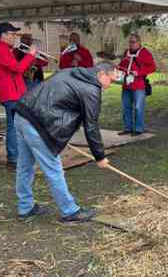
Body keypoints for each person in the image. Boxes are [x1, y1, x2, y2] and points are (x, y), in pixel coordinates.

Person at [14, 62, 118, 223]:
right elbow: (91, 126)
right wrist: (99, 156)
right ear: (101, 74)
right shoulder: (91, 90)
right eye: (111, 80)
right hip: (38, 123)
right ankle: (69, 211)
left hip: (22, 113)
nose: (111, 85)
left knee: (25, 165)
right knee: (53, 168)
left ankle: (25, 207)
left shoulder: (72, 71)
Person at [0, 22, 37, 170]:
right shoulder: (0, 49)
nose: (15, 37)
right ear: (4, 35)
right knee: (14, 127)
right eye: (12, 34)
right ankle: (13, 159)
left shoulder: (4, 48)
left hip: (14, 92)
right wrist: (30, 55)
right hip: (11, 94)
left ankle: (17, 156)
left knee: (17, 126)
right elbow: (17, 69)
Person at [117, 34, 156, 135]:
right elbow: (122, 65)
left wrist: (138, 72)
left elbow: (152, 67)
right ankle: (128, 128)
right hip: (126, 84)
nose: (131, 44)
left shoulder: (144, 52)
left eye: (133, 42)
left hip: (138, 85)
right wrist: (118, 68)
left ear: (139, 42)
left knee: (138, 108)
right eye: (130, 42)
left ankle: (138, 129)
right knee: (126, 107)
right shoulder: (126, 52)